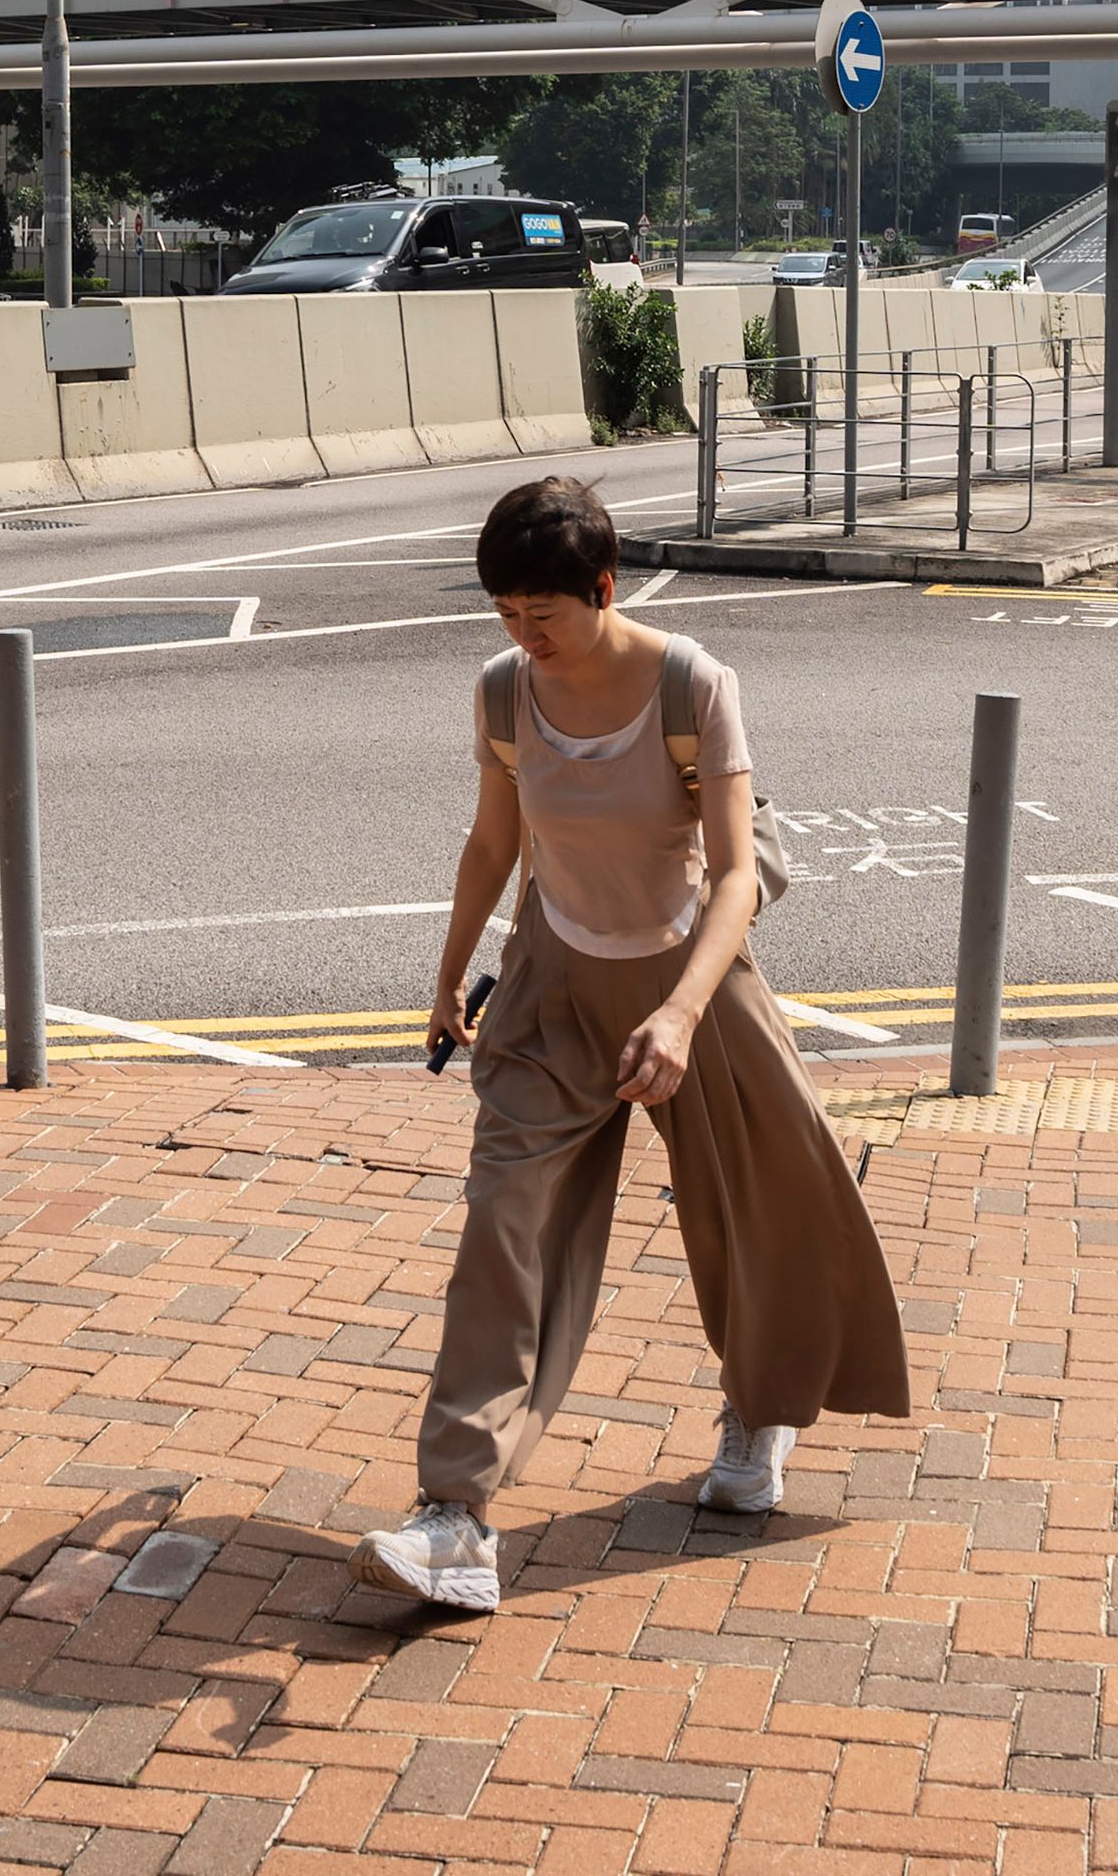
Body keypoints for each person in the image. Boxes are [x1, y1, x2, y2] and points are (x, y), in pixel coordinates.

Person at [357, 477, 909, 1613]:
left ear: (604, 589)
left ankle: (758, 1420)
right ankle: (455, 1512)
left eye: (542, 613)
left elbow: (739, 871)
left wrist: (682, 1013)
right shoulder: (506, 692)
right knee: (506, 1227)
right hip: (555, 985)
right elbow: (492, 841)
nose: (524, 635)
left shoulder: (693, 683)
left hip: (689, 977)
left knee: (761, 1212)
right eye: (505, 612)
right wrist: (447, 968)